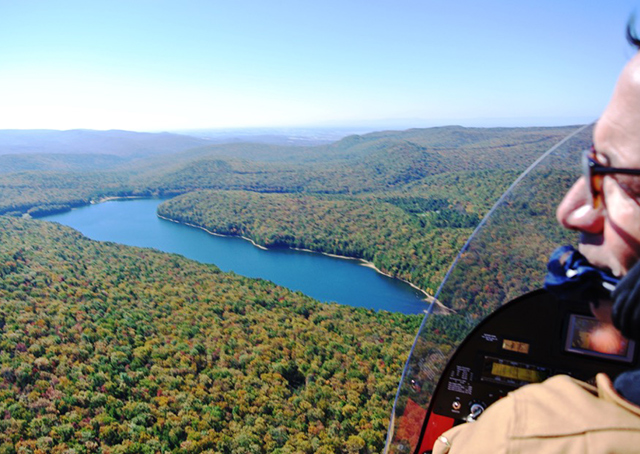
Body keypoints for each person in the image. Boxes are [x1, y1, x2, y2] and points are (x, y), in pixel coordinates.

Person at [432, 19, 640, 454]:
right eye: (590, 166)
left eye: (617, 179)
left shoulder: (525, 434)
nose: (570, 210)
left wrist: (474, 436)